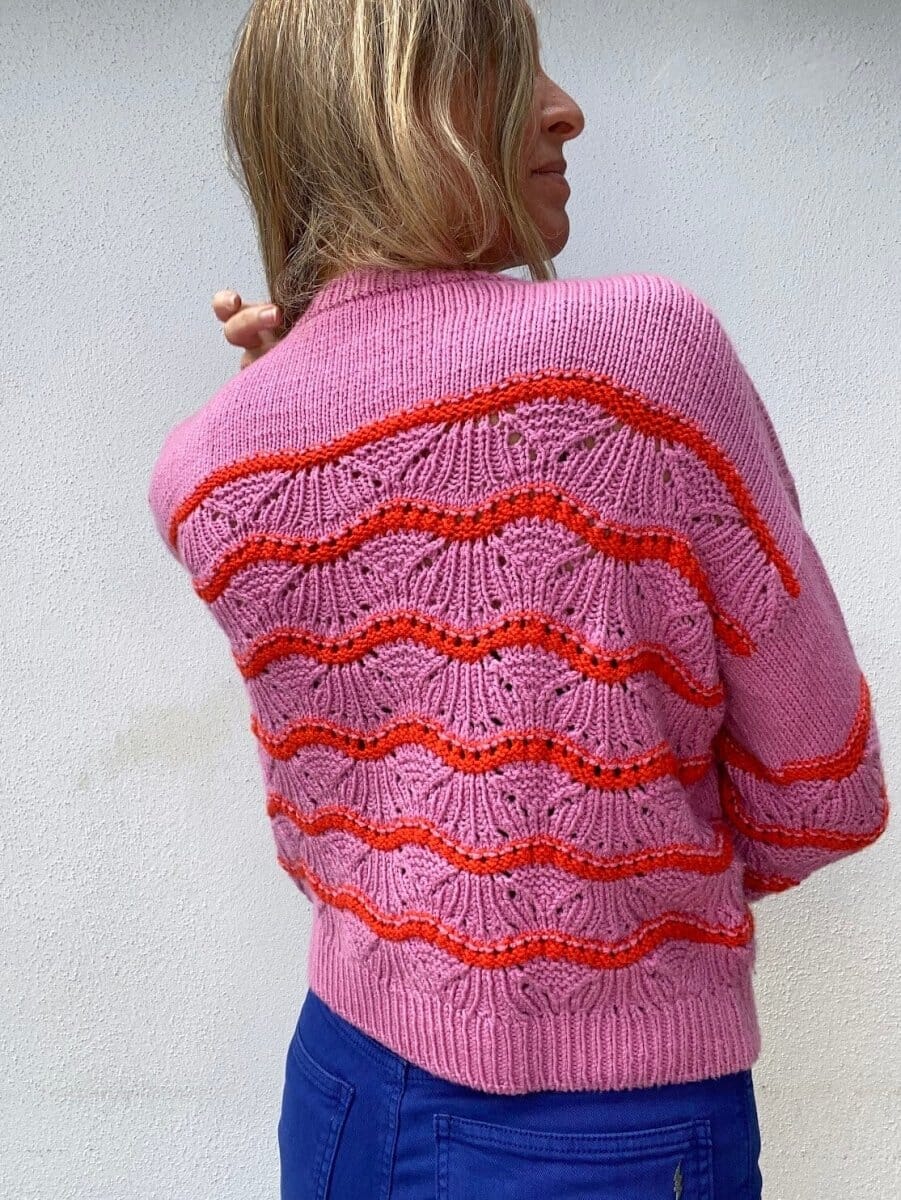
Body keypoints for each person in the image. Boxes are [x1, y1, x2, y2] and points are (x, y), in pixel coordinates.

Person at [147, 2, 889, 1197]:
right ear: (394, 111)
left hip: (340, 1090)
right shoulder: (648, 359)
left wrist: (299, 386)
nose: (564, 110)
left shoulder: (207, 463)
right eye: (511, 69)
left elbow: (350, 818)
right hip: (610, 1127)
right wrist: (612, 878)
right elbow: (821, 792)